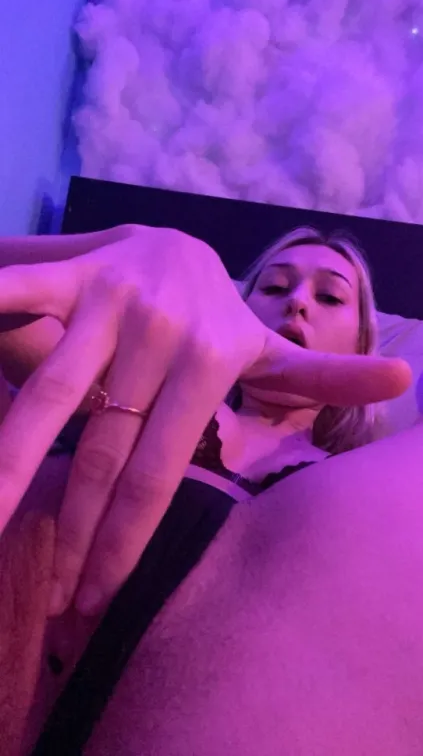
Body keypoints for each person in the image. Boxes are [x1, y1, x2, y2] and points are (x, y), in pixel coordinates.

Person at [0, 222, 412, 754]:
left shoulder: (375, 481)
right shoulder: (132, 390)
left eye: (330, 296)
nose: (297, 303)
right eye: (274, 286)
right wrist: (122, 248)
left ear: (361, 344)